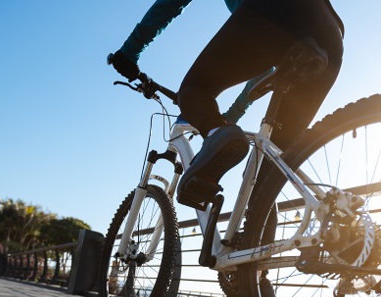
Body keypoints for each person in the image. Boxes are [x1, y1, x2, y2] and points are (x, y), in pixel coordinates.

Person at [110, 0, 344, 211]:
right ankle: (253, 252)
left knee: (194, 90)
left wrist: (131, 50)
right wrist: (230, 118)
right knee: (265, 176)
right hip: (331, 39)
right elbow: (262, 66)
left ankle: (216, 133)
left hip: (277, 11)